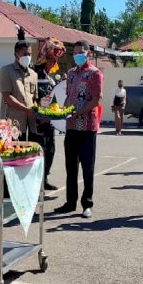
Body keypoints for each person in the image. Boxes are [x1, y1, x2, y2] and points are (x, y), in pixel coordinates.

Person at [53, 40, 103, 218]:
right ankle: (70, 202)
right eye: (75, 53)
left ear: (88, 53)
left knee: (87, 168)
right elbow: (68, 97)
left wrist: (78, 113)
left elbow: (95, 100)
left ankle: (87, 203)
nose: (77, 56)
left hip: (88, 127)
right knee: (70, 167)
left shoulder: (95, 74)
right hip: (71, 127)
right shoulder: (71, 74)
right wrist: (60, 112)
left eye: (80, 52)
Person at [34, 37, 65, 190]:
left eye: (54, 61)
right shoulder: (35, 74)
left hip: (50, 121)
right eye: (51, 59)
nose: (53, 63)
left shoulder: (49, 77)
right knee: (38, 150)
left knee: (50, 149)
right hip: (38, 121)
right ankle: (37, 180)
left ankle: (44, 178)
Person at [0, 27, 38, 139]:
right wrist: (27, 110)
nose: (28, 57)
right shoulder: (6, 70)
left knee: (28, 153)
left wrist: (38, 111)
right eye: (25, 54)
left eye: (29, 54)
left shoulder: (33, 74)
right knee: (13, 154)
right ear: (16, 54)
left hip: (30, 122)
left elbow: (34, 99)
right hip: (13, 122)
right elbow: (7, 97)